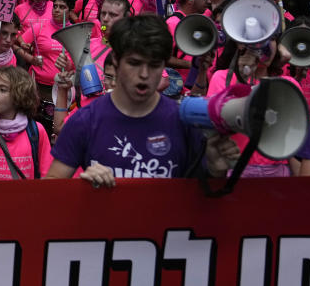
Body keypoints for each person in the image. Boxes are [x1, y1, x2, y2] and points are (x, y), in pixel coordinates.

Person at [44, 13, 239, 186]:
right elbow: (49, 188)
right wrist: (82, 185)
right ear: (116, 63)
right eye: (134, 63)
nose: (144, 74)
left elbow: (203, 198)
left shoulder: (183, 122)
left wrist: (216, 170)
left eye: (154, 65)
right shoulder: (85, 120)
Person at [207, 31, 298, 176]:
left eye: (273, 39)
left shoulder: (287, 85)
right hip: (236, 169)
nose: (267, 45)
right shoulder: (221, 78)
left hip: (277, 171)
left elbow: (294, 133)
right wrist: (242, 77)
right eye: (260, 39)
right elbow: (214, 127)